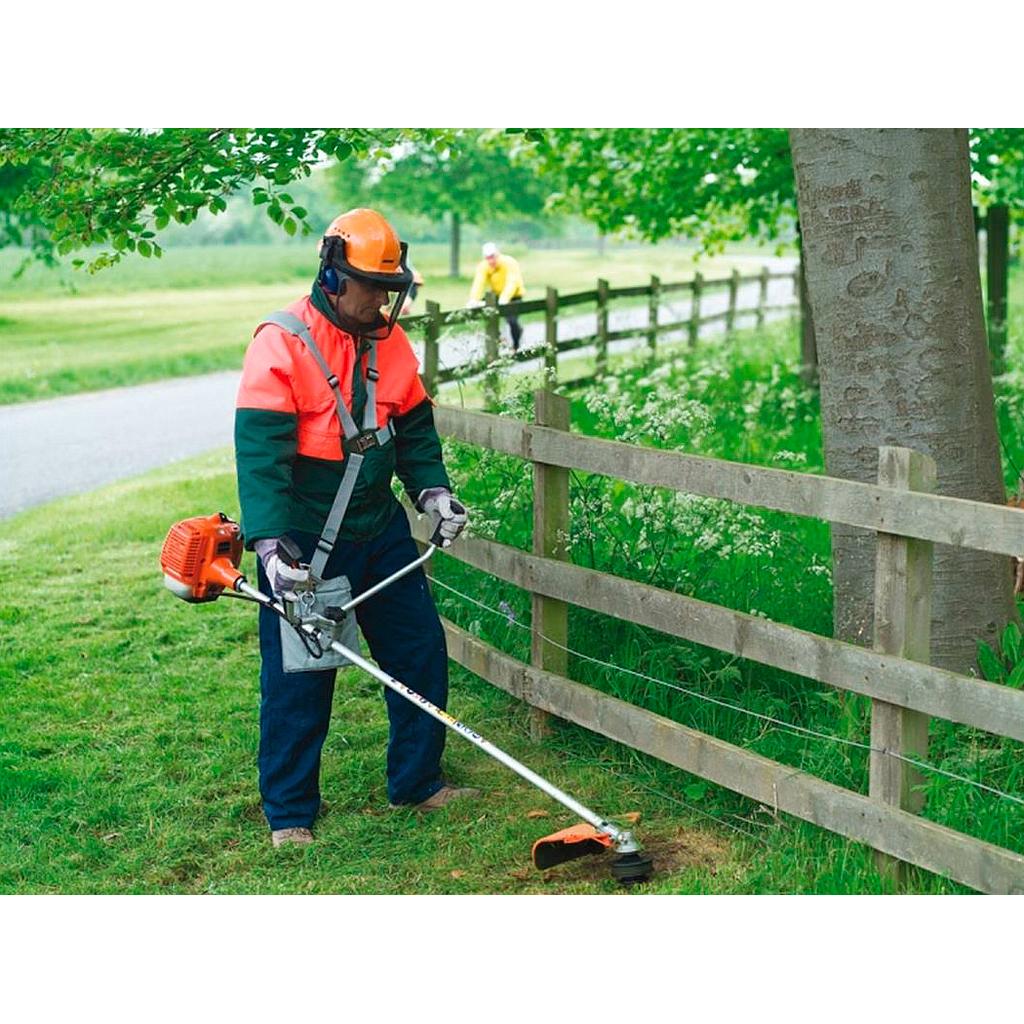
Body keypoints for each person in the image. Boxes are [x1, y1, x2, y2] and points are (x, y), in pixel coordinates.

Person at [234, 208, 477, 848]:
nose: (382, 302)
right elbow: (261, 455)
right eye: (373, 287)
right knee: (301, 676)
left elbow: (414, 429)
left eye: (392, 289)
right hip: (306, 541)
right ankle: (290, 813)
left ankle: (418, 783)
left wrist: (433, 493)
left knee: (419, 652)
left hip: (380, 527)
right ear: (334, 276)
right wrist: (271, 548)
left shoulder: (388, 341)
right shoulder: (282, 342)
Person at [467, 241, 526, 351]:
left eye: (492, 257)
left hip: (514, 296)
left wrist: (505, 298)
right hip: (496, 295)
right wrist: (474, 299)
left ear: (498, 254)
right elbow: (479, 283)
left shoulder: (509, 262)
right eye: (487, 258)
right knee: (489, 314)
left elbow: (512, 282)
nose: (491, 261)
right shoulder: (484, 266)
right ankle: (498, 339)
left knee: (512, 321)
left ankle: (516, 346)